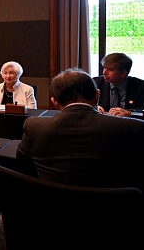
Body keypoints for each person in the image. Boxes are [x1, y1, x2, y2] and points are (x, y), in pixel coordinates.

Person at [16, 68, 144, 191]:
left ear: (54, 102)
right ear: (97, 95)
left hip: (52, 206)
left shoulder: (34, 126)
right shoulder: (133, 128)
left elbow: (23, 164)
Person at [94, 52, 144, 117]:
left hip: (129, 124)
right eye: (104, 68)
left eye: (110, 69)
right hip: (103, 124)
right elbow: (84, 103)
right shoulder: (95, 83)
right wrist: (94, 108)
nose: (104, 72)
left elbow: (142, 110)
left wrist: (130, 113)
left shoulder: (140, 86)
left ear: (123, 73)